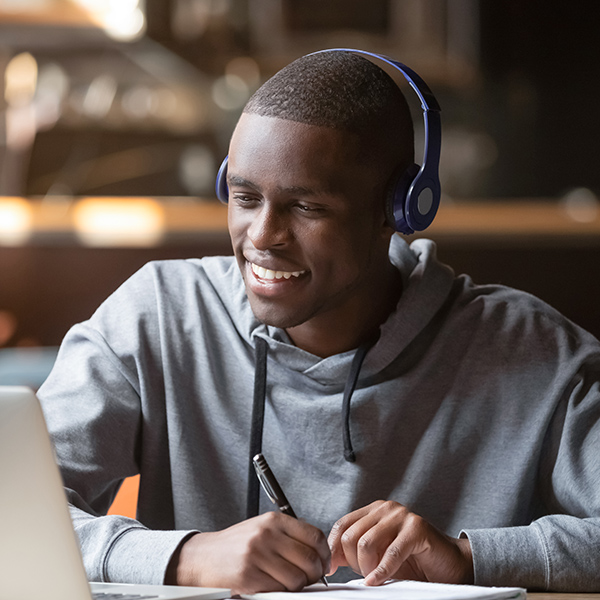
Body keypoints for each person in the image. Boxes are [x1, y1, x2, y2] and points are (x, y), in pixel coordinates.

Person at [38, 50, 600, 595]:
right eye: (245, 197)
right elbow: (11, 512)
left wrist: (469, 558)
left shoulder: (533, 350)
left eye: (307, 208)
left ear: (398, 209)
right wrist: (185, 557)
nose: (261, 237)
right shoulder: (156, 316)